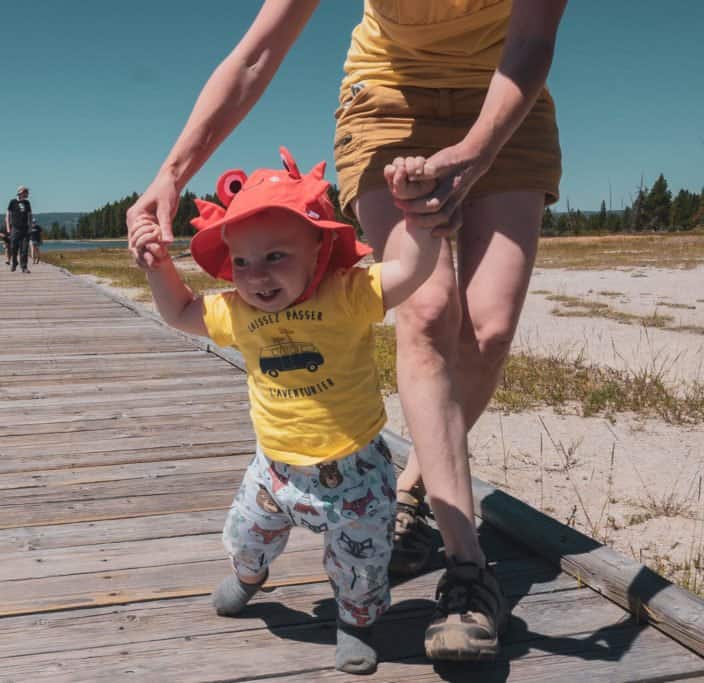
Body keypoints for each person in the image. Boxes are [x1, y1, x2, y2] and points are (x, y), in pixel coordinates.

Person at [125, 0, 565, 663]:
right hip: (385, 96)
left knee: (490, 329)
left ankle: (412, 495)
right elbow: (254, 54)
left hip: (505, 95)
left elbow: (533, 38)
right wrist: (171, 173)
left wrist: (473, 155)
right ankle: (469, 569)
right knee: (425, 311)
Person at [131, 148, 442, 675]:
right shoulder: (236, 310)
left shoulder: (347, 294)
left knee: (361, 563)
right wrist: (159, 265)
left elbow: (411, 270)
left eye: (276, 256)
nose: (257, 276)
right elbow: (182, 311)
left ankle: (355, 622)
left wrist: (417, 217)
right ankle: (251, 578)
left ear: (319, 247)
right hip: (273, 469)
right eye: (244, 263)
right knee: (248, 535)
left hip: (355, 472)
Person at [5, 185, 33, 272]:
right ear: (21, 193)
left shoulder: (27, 203)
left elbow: (30, 215)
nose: (27, 194)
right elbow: (7, 216)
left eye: (27, 192)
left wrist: (30, 227)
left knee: (24, 249)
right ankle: (14, 263)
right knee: (13, 247)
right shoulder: (12, 202)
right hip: (15, 228)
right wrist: (8, 229)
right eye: (26, 192)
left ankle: (24, 267)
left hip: (25, 229)